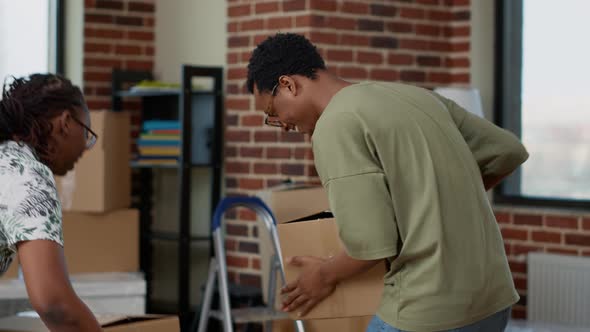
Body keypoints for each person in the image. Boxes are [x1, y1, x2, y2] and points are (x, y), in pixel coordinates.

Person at [246, 33, 529, 332]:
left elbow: (370, 244)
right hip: (492, 303)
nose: (283, 125)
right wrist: (441, 198)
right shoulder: (416, 96)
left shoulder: (335, 125)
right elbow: (507, 151)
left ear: (289, 84)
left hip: (426, 310)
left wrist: (323, 276)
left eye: (273, 113)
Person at [0, 73, 102, 331]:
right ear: (66, 122)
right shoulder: (27, 174)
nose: (86, 147)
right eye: (87, 133)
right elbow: (55, 305)